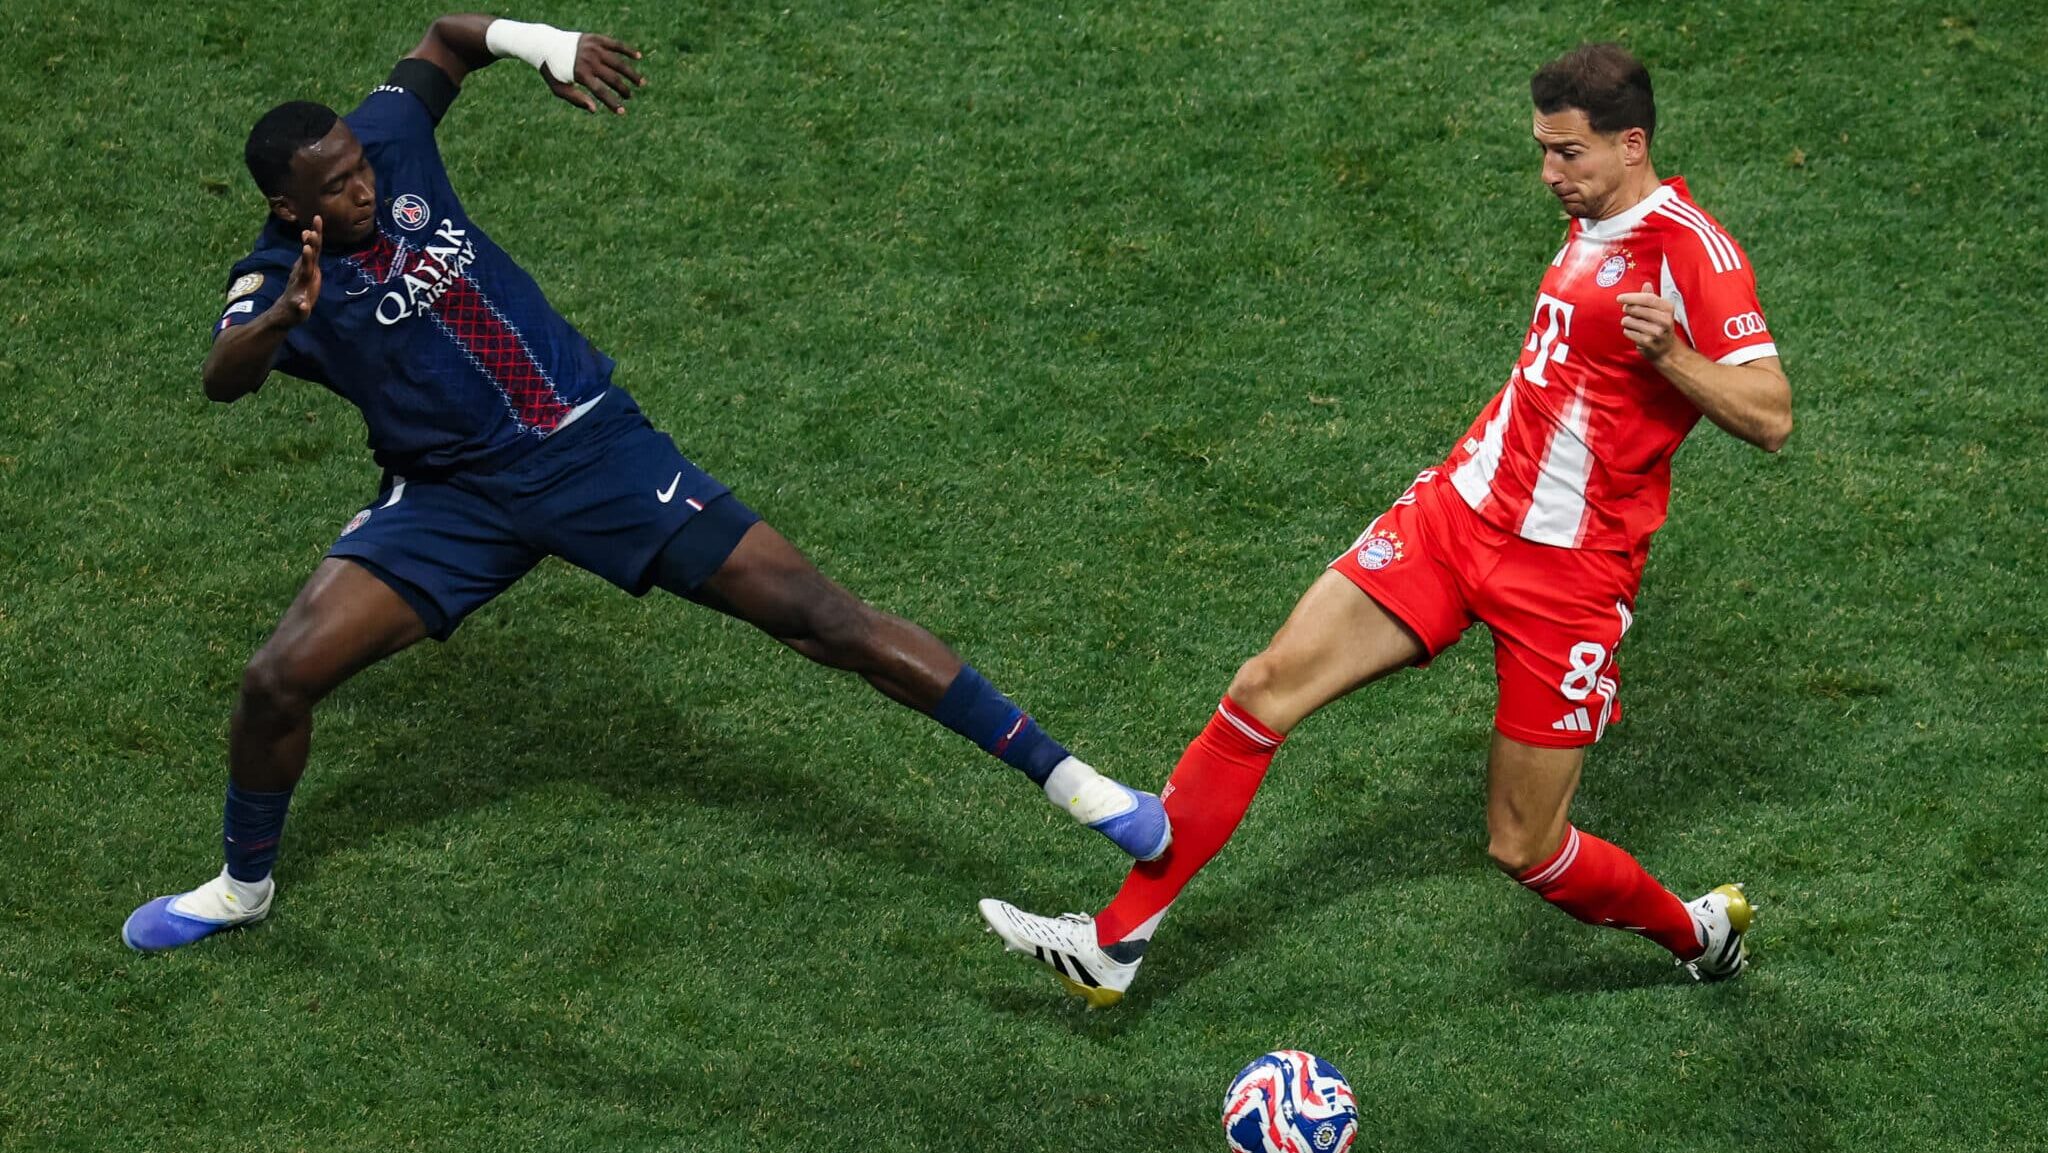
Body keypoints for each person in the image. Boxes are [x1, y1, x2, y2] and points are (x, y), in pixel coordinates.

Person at [123, 13, 1169, 953]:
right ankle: (240, 887)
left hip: (590, 450)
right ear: (284, 204)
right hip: (451, 500)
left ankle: (1080, 787)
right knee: (274, 680)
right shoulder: (273, 276)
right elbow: (223, 379)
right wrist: (279, 323)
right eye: (338, 188)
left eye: (359, 168)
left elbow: (444, 40)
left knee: (819, 617)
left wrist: (546, 47)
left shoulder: (388, 142)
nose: (363, 187)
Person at [980, 42, 1791, 1005]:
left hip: (1568, 580)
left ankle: (1694, 933)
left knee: (1523, 844)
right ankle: (1116, 941)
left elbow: (1771, 414)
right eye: (1541, 150)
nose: (1549, 174)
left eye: (1568, 154)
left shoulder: (1691, 248)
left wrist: (1675, 360)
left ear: (1632, 143)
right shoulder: (1592, 220)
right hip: (1456, 518)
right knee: (1263, 687)